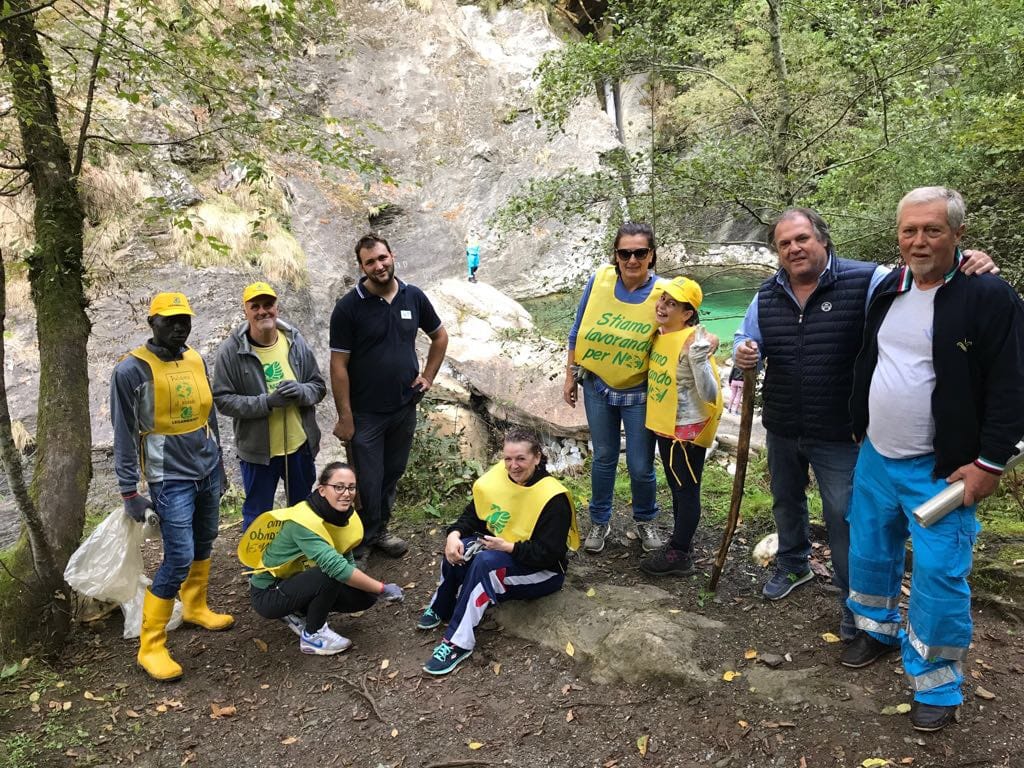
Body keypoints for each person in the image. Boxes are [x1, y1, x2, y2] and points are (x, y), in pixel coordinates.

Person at [733, 208, 996, 641]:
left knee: (845, 519)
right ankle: (794, 564)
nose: (795, 249)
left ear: (822, 240)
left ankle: (853, 601)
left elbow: (925, 273)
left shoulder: (869, 280)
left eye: (802, 239)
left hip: (842, 431)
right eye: (785, 244)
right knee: (786, 502)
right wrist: (745, 350)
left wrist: (970, 260)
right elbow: (748, 338)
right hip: (782, 423)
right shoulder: (767, 294)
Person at [842, 187, 1024, 732]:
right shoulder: (889, 287)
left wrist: (991, 463)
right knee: (870, 549)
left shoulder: (988, 296)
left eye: (933, 230)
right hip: (876, 455)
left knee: (940, 576)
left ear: (959, 235)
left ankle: (938, 686)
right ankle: (875, 628)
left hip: (941, 469)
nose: (919, 241)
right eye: (909, 230)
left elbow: (1013, 387)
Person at [110, 292, 233, 681]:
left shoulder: (195, 357)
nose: (179, 327)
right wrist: (130, 491)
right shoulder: (131, 370)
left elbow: (209, 412)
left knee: (205, 540)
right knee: (178, 557)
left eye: (184, 320)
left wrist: (221, 465)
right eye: (169, 320)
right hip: (170, 478)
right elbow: (125, 434)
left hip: (206, 468)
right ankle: (152, 645)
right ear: (152, 323)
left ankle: (195, 606)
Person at [418, 428, 579, 675]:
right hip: (503, 551)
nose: (513, 466)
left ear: (537, 457)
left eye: (521, 459)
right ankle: (442, 606)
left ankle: (457, 642)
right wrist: (454, 535)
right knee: (463, 548)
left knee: (485, 564)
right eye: (508, 459)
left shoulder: (552, 498)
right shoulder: (498, 478)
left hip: (543, 571)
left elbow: (550, 554)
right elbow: (472, 516)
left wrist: (509, 547)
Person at [329, 234, 449, 561]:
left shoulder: (414, 297)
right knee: (367, 480)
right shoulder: (348, 308)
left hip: (404, 406)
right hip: (366, 412)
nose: (379, 266)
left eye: (382, 258)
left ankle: (378, 530)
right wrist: (346, 417)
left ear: (392, 256)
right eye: (370, 262)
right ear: (362, 267)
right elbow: (338, 365)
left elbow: (439, 337)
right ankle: (361, 540)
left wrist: (428, 377)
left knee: (392, 472)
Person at [563, 222, 663, 555]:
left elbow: (683, 332)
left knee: (640, 464)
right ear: (616, 255)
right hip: (597, 385)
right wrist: (569, 375)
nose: (632, 260)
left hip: (640, 390)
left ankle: (645, 520)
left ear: (651, 255)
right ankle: (600, 521)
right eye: (625, 253)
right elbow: (577, 330)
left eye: (640, 252)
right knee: (604, 457)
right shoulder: (600, 281)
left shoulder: (665, 291)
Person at [239, 462, 405, 655]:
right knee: (331, 574)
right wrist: (382, 588)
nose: (346, 493)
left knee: (365, 596)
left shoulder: (343, 517)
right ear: (322, 490)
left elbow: (347, 560)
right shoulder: (302, 521)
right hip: (269, 593)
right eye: (338, 487)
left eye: (351, 487)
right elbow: (336, 568)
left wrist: (372, 590)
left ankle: (299, 610)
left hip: (296, 581)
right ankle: (313, 635)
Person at [213, 282, 327, 531]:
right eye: (256, 306)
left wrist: (300, 391)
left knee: (301, 511)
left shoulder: (295, 341)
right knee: (258, 515)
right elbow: (222, 400)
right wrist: (267, 403)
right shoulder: (231, 351)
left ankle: (298, 561)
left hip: (299, 446)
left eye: (268, 305)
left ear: (277, 307)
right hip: (258, 453)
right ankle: (257, 569)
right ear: (246, 311)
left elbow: (318, 387)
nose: (263, 311)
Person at [641, 276, 723, 576]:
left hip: (686, 431)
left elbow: (711, 393)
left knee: (687, 490)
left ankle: (680, 552)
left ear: (687, 313)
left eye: (672, 303)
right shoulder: (662, 334)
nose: (662, 305)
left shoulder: (694, 342)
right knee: (677, 488)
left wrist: (700, 359)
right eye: (662, 299)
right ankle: (681, 543)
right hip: (666, 425)